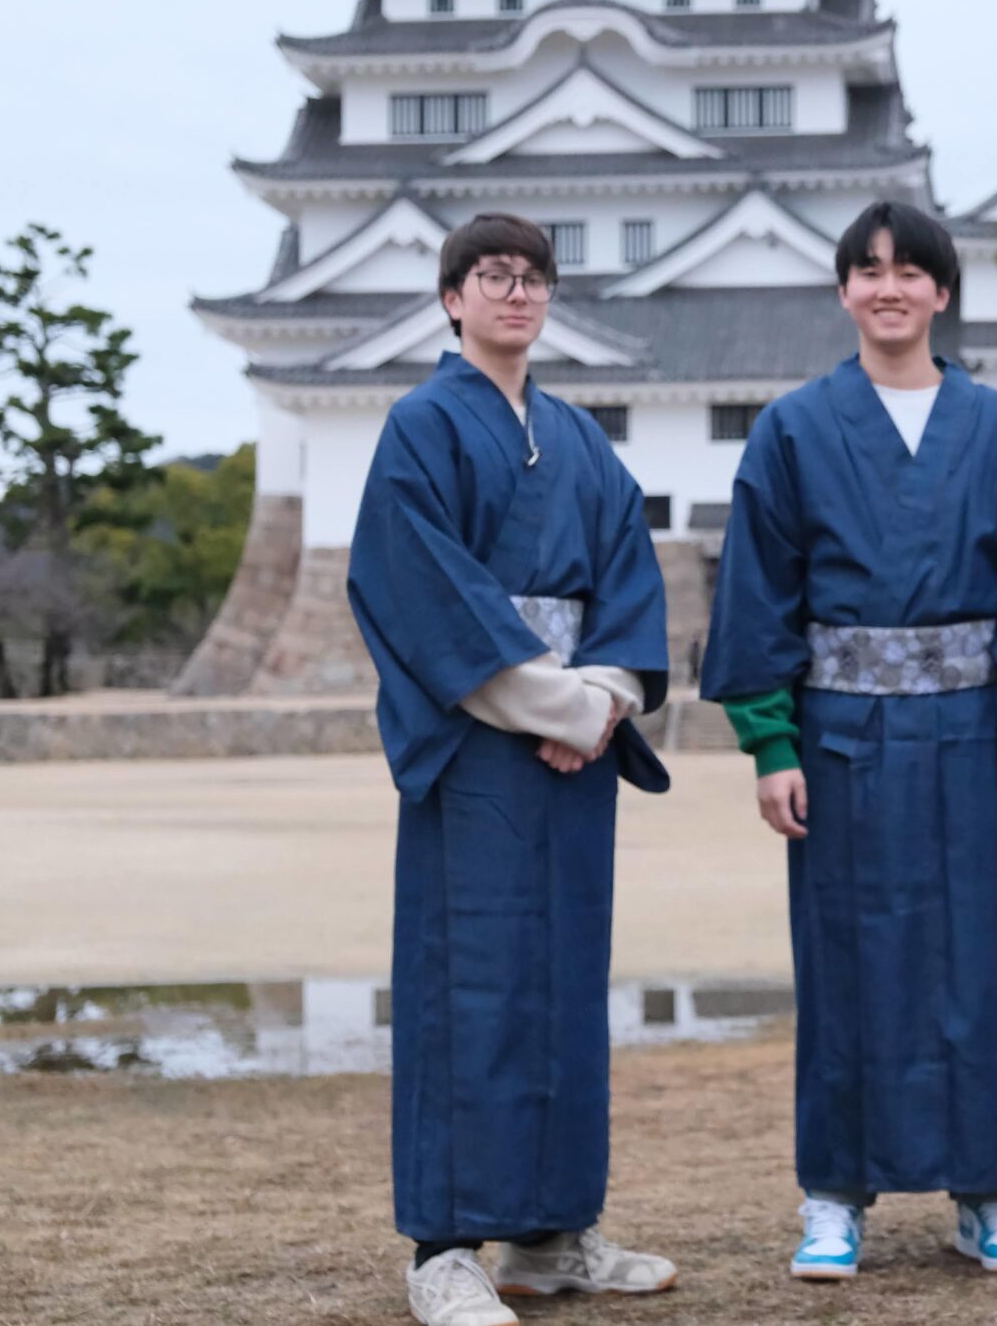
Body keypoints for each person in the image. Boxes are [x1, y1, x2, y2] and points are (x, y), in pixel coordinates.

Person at [701, 200, 997, 1283]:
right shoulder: (793, 429)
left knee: (982, 959)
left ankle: (989, 1190)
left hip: (975, 734)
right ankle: (834, 1193)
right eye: (868, 270)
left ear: (941, 291)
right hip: (840, 739)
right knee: (846, 958)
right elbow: (759, 591)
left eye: (909, 270)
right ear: (843, 292)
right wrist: (770, 742)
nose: (889, 287)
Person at [346, 212, 678, 1326]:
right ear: (453, 299)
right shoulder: (422, 425)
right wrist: (562, 703)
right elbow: (420, 588)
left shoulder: (580, 437)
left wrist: (606, 699)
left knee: (565, 985)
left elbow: (628, 579)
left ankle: (550, 1235)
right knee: (471, 985)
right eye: (493, 275)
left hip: (575, 752)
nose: (517, 293)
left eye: (534, 277)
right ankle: (444, 1247)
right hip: (480, 748)